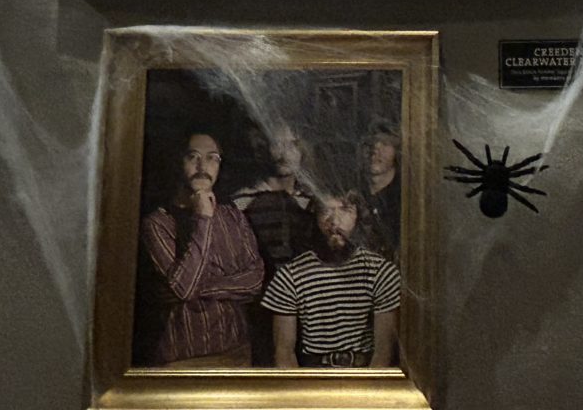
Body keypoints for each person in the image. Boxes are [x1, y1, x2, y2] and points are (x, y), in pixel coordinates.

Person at [137, 132, 264, 367]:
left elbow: (255, 281)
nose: (202, 166)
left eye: (212, 158)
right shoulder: (156, 224)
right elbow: (186, 289)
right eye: (193, 156)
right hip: (183, 358)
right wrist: (203, 218)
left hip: (237, 352)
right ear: (179, 162)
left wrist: (199, 288)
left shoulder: (232, 216)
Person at [260, 189, 400, 368]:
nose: (334, 221)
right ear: (315, 216)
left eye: (345, 210)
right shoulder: (290, 276)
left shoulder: (381, 271)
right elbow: (284, 353)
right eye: (326, 210)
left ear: (358, 215)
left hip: (363, 378)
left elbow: (384, 350)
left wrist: (368, 393)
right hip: (313, 380)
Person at [231, 122, 316, 365]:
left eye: (291, 145)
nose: (283, 153)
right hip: (258, 310)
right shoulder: (242, 201)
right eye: (276, 144)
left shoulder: (312, 202)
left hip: (309, 311)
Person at [362, 123, 401, 255]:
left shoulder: (405, 197)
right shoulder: (351, 189)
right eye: (370, 144)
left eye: (384, 144)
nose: (375, 150)